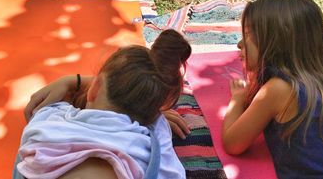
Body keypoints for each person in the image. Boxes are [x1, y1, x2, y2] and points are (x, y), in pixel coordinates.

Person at [222, 0, 323, 179]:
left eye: (248, 34)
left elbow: (233, 143)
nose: (239, 44)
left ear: (276, 42)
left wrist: (237, 99)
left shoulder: (278, 89)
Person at [15, 29, 191, 179]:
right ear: (155, 113)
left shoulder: (49, 121)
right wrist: (155, 117)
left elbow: (50, 105)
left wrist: (72, 81)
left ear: (95, 87)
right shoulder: (155, 143)